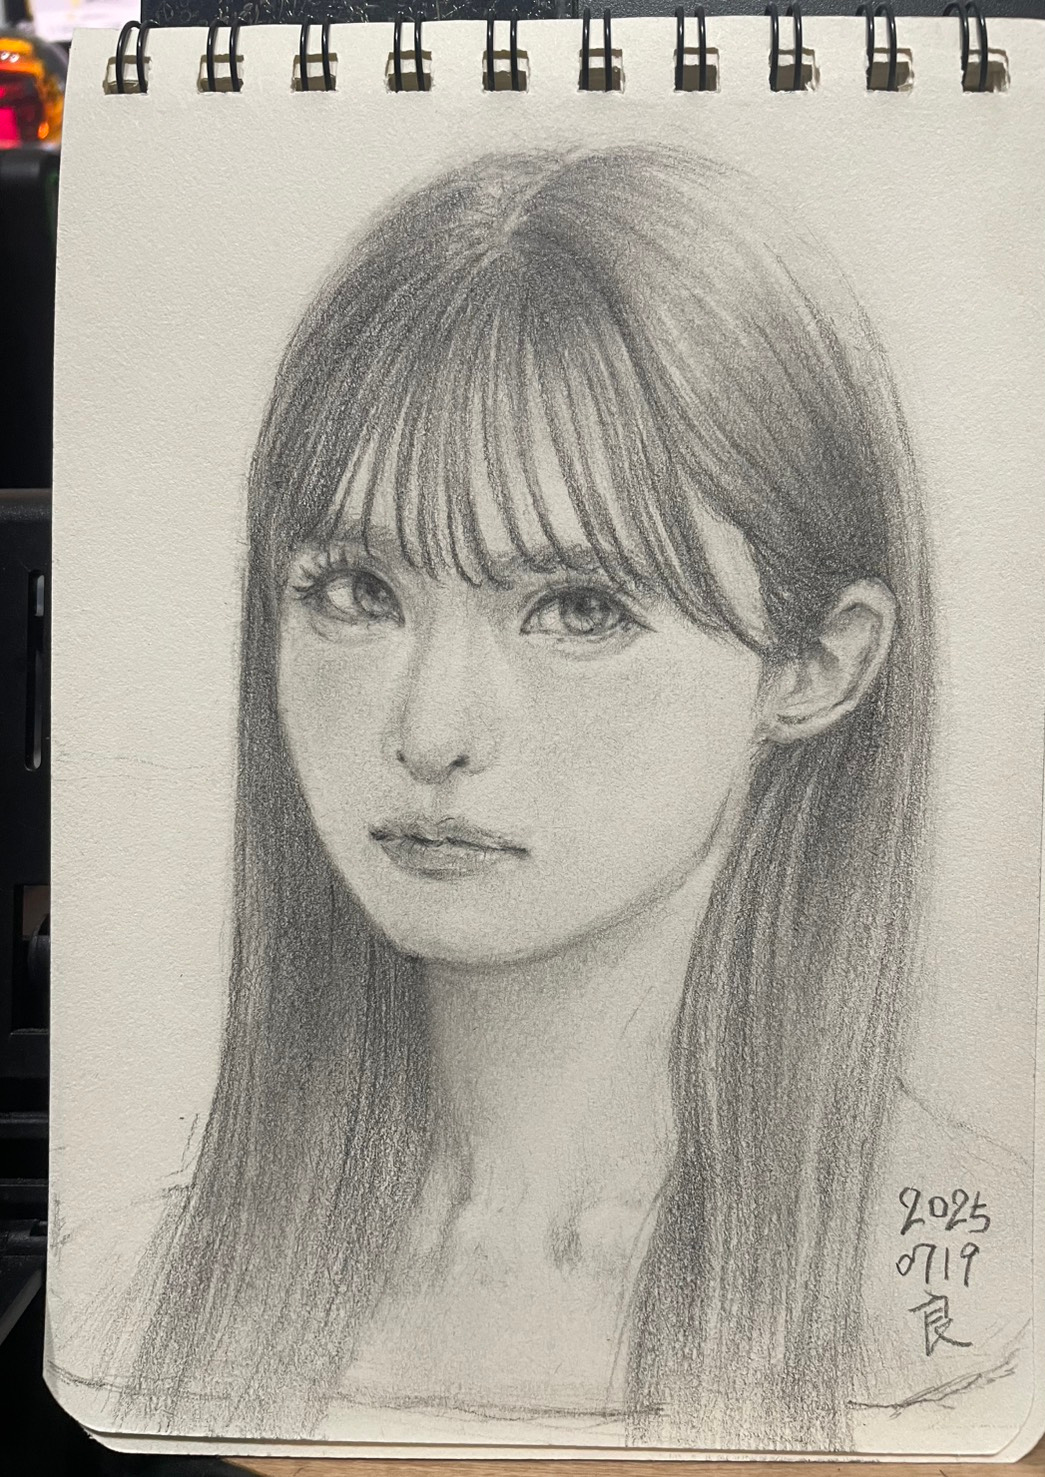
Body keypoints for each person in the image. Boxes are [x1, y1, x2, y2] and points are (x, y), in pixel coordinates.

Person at [110, 142, 937, 1450]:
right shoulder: (131, 1297)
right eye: (357, 592)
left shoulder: (940, 1308)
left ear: (816, 664)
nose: (431, 732)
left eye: (579, 608)